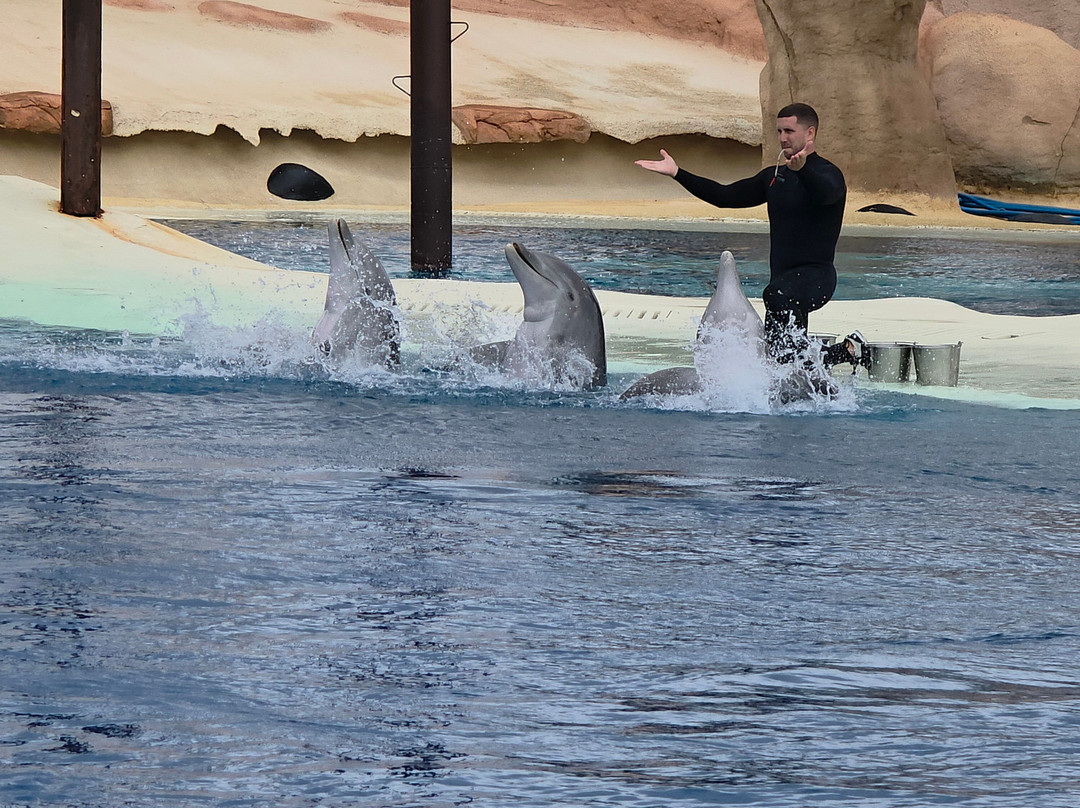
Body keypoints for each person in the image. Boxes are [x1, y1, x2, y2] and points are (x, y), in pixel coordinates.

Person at [636, 102, 863, 368]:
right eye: (779, 131)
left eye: (789, 130)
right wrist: (677, 173)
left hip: (817, 278)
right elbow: (724, 196)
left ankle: (841, 353)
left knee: (776, 300)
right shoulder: (773, 177)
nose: (782, 138)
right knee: (783, 362)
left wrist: (803, 171)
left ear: (810, 133)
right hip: (785, 283)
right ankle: (848, 352)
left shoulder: (828, 173)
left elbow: (827, 194)